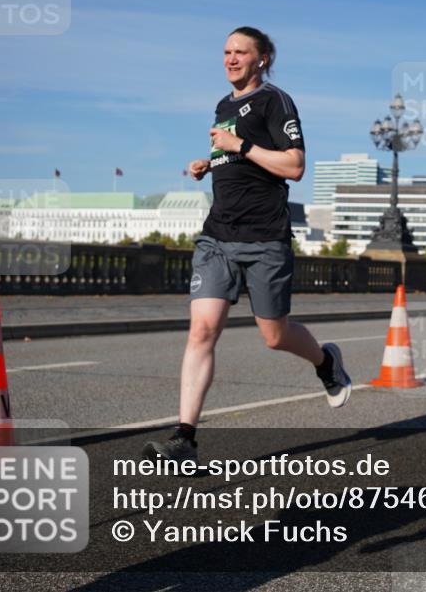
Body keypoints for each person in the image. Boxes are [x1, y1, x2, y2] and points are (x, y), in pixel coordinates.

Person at [144, 27, 351, 464]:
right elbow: (236, 156)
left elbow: (294, 166)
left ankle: (326, 363)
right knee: (202, 330)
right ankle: (185, 438)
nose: (230, 59)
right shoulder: (223, 106)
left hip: (264, 239)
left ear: (262, 59)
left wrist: (240, 144)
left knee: (274, 337)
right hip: (218, 235)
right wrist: (211, 161)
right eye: (225, 51)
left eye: (241, 52)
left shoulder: (276, 101)